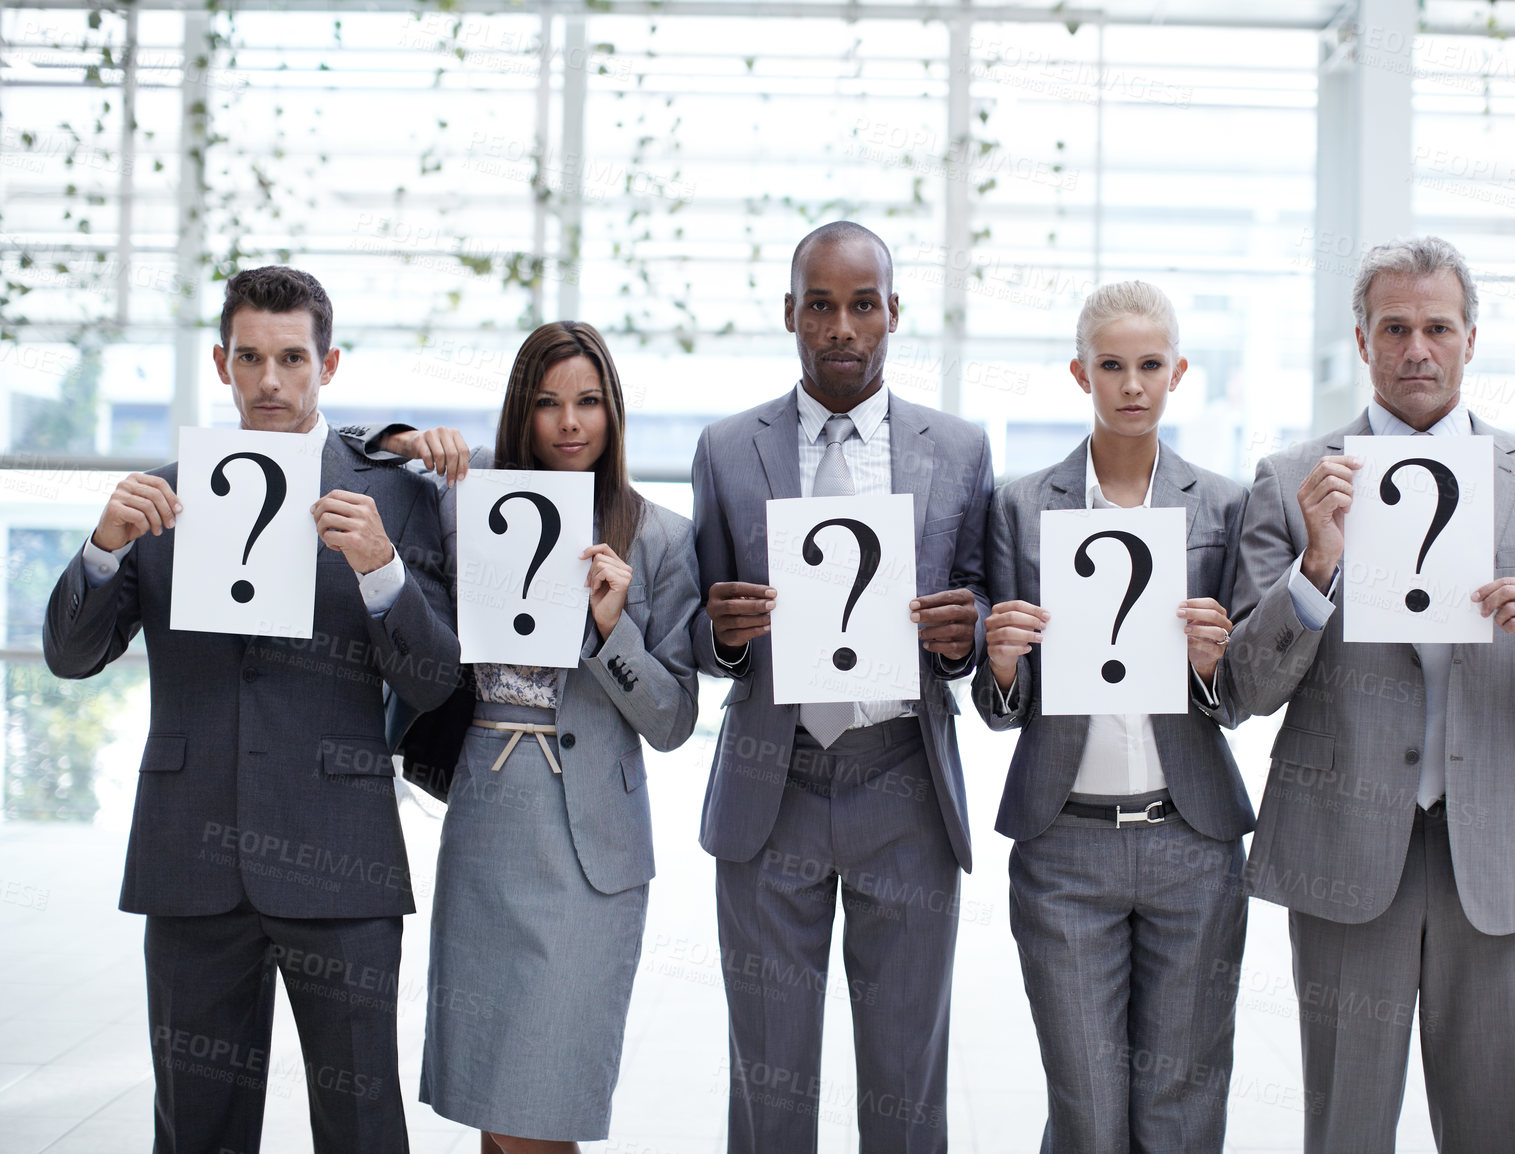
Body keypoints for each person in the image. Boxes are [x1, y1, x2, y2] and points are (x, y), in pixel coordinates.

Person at [1225, 236, 1515, 1153]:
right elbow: (1242, 689)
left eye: (1437, 328)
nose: (1417, 348)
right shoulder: (1292, 481)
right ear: (1362, 339)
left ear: (1470, 339)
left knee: (1492, 1127)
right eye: (1395, 328)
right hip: (1345, 847)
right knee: (1343, 1129)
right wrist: (1317, 563)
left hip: (1499, 853)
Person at [41, 266, 460, 1153]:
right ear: (222, 362)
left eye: (292, 359)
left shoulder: (398, 496)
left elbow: (435, 683)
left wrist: (383, 571)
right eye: (250, 358)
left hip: (340, 858)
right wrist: (104, 547)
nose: (270, 381)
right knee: (195, 1128)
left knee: (361, 1126)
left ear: (329, 364)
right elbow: (71, 658)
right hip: (189, 858)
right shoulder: (158, 499)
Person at [342, 321, 702, 1154]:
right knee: (496, 1104)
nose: (569, 423)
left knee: (543, 1108)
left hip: (591, 857)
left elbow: (675, 721)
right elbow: (353, 447)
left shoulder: (659, 537)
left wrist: (613, 633)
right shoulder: (467, 503)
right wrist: (408, 437)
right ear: (521, 412)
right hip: (487, 829)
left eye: (588, 402)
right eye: (547, 404)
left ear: (613, 412)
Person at [689, 221, 993, 1153]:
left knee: (906, 1083)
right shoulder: (728, 448)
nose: (842, 327)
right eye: (820, 305)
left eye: (863, 304)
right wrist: (725, 635)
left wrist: (962, 635)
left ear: (894, 312)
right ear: (790, 314)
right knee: (768, 1081)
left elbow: (982, 602)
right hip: (768, 785)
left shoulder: (961, 448)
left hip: (903, 780)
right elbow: (697, 629)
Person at [971, 281, 1254, 1152]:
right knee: (1087, 1108)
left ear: (1177, 375)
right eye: (1112, 366)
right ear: (1080, 372)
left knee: (1180, 1109)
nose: (1132, 384)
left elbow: (1240, 698)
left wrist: (1217, 662)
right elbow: (993, 705)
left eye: (1150, 366)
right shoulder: (1021, 506)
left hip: (1192, 839)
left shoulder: (1226, 505)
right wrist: (1003, 660)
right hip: (1065, 844)